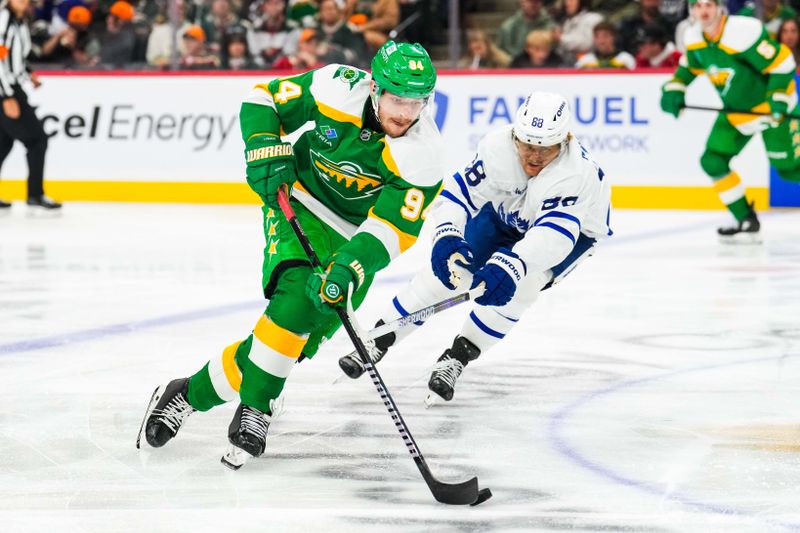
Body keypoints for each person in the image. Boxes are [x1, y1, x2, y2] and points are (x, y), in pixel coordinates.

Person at [138, 41, 443, 468]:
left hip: (354, 237)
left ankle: (186, 394)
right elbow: (262, 98)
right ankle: (257, 408)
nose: (405, 113)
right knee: (299, 297)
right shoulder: (336, 87)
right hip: (297, 201)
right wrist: (264, 145)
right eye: (397, 99)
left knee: (290, 341)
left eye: (417, 102)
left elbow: (392, 228)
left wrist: (351, 268)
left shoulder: (425, 155)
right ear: (375, 87)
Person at [338, 92, 613, 404]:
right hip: (507, 214)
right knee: (445, 272)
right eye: (527, 144)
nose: (533, 156)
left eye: (544, 148)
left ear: (564, 141)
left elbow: (554, 234)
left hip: (574, 235)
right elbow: (458, 195)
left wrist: (515, 265)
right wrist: (446, 234)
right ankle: (378, 339)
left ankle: (457, 356)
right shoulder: (499, 147)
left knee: (523, 288)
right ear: (514, 135)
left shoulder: (574, 174)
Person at [660, 0, 800, 242]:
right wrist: (676, 88)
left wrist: (777, 98)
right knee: (713, 161)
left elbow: (782, 61)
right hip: (736, 112)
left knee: (789, 171)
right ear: (692, 11)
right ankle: (745, 217)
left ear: (719, 8)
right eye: (698, 6)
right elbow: (690, 66)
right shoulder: (693, 37)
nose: (703, 11)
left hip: (772, 111)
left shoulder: (743, 32)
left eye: (708, 5)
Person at [0, 0, 61, 209]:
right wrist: (5, 96)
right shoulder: (3, 20)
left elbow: (12, 57)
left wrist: (28, 73)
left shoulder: (20, 21)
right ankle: (35, 194)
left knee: (3, 144)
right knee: (37, 140)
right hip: (6, 89)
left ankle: (35, 194)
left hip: (13, 85)